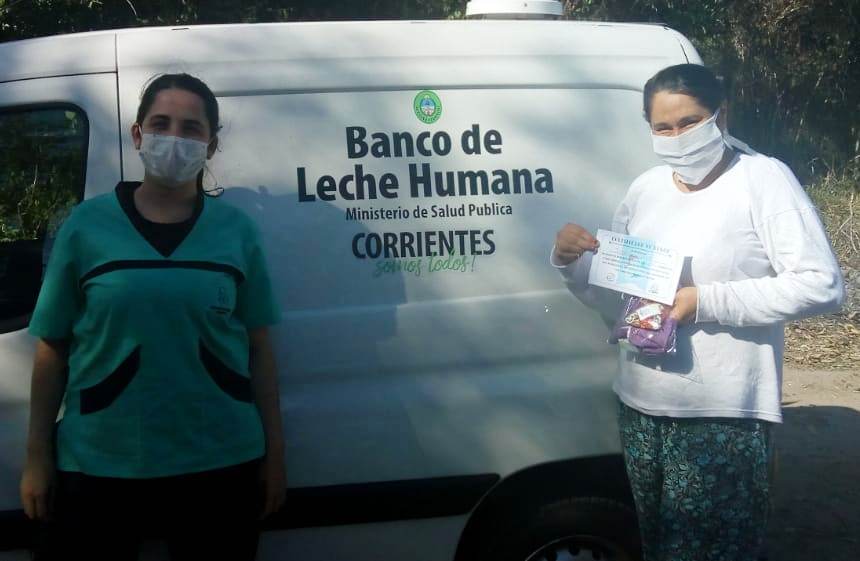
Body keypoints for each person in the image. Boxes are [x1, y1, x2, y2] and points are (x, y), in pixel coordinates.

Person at [552, 64, 844, 560]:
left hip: (720, 414)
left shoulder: (762, 179)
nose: (676, 137)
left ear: (720, 115)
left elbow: (822, 285)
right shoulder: (646, 189)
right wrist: (571, 265)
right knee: (659, 548)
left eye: (688, 122)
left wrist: (704, 301)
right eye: (662, 127)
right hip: (641, 404)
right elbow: (618, 299)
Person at [20, 73, 287, 561]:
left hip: (219, 462)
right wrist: (37, 457)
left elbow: (260, 349)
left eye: (191, 128)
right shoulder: (86, 227)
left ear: (211, 145)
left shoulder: (237, 232)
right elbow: (52, 345)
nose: (175, 138)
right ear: (138, 134)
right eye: (161, 124)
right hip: (99, 463)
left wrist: (276, 455)